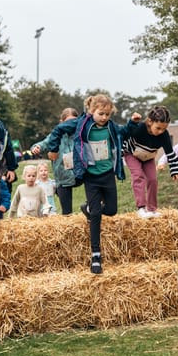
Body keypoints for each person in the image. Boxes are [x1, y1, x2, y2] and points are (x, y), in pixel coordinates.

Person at [47, 94, 137, 274]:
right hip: (90, 175)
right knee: (96, 214)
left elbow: (124, 131)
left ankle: (87, 209)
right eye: (101, 113)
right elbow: (58, 130)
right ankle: (96, 255)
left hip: (107, 174)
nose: (104, 117)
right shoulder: (80, 123)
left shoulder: (111, 126)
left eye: (107, 114)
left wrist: (133, 122)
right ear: (91, 111)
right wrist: (53, 148)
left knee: (111, 210)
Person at [122, 106, 178, 218]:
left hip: (148, 157)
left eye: (164, 129)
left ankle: (152, 209)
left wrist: (175, 170)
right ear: (150, 121)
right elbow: (125, 133)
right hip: (132, 154)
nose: (161, 132)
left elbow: (170, 153)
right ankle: (141, 208)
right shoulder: (140, 129)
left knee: (153, 179)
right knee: (138, 176)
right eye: (158, 128)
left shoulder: (164, 135)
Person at [31, 107, 79, 215]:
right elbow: (44, 143)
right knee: (67, 213)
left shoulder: (80, 133)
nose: (70, 125)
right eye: (67, 122)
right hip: (62, 175)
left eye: (73, 121)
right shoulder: (56, 135)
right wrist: (37, 147)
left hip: (79, 173)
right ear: (61, 122)